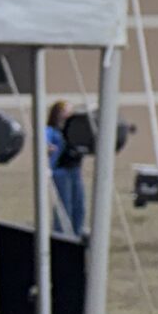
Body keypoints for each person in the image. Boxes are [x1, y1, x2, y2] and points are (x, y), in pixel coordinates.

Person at [45, 99, 88, 239]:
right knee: (64, 206)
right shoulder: (52, 130)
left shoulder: (74, 129)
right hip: (60, 171)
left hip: (75, 170)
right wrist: (49, 147)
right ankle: (62, 235)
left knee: (79, 205)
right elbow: (45, 141)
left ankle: (77, 233)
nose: (68, 113)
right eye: (65, 111)